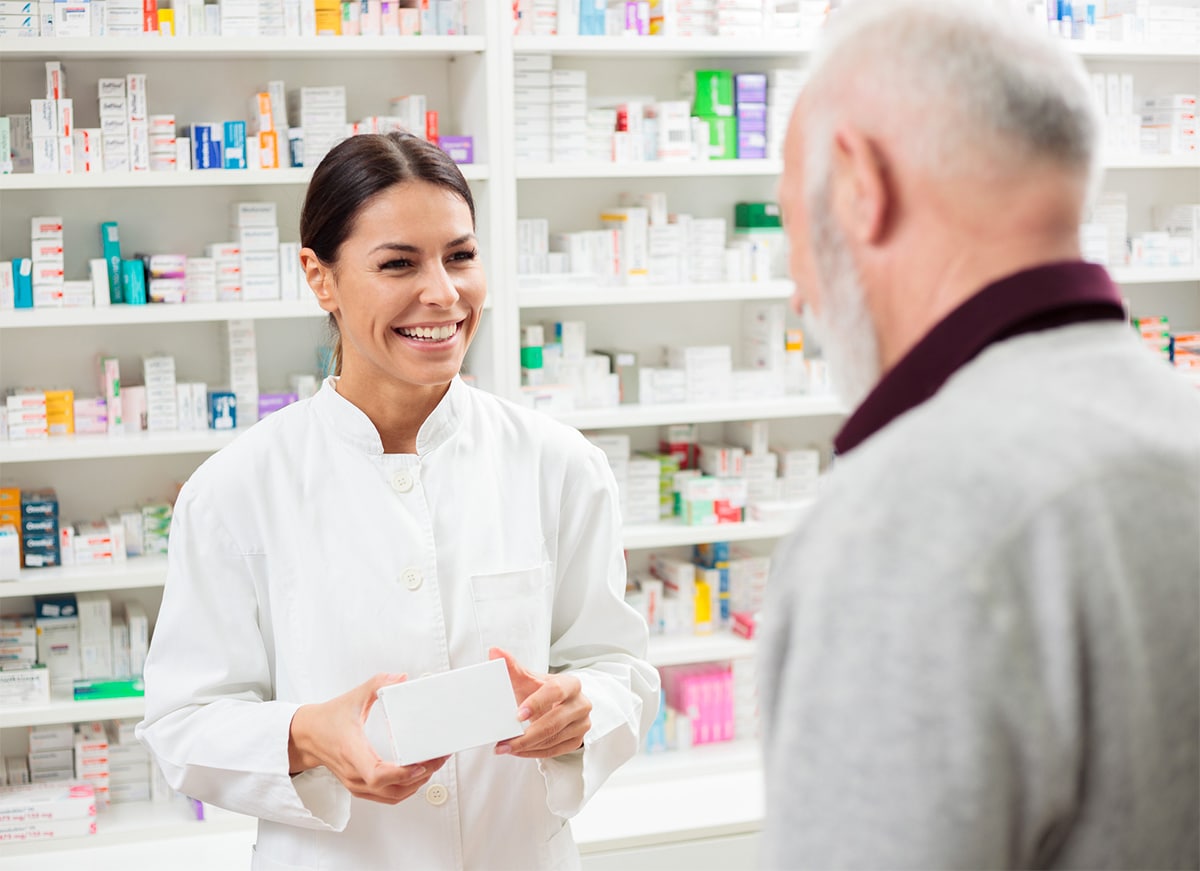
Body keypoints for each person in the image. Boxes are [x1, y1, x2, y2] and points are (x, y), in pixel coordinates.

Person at [137, 131, 659, 871]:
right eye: (397, 264)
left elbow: (620, 668)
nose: (443, 293)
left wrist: (583, 710)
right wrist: (307, 733)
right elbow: (181, 723)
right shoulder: (235, 490)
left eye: (461, 255)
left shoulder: (561, 465)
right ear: (320, 278)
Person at [759, 1, 1200, 868]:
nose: (799, 289)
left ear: (858, 185)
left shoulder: (909, 520)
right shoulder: (1178, 424)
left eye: (789, 225)